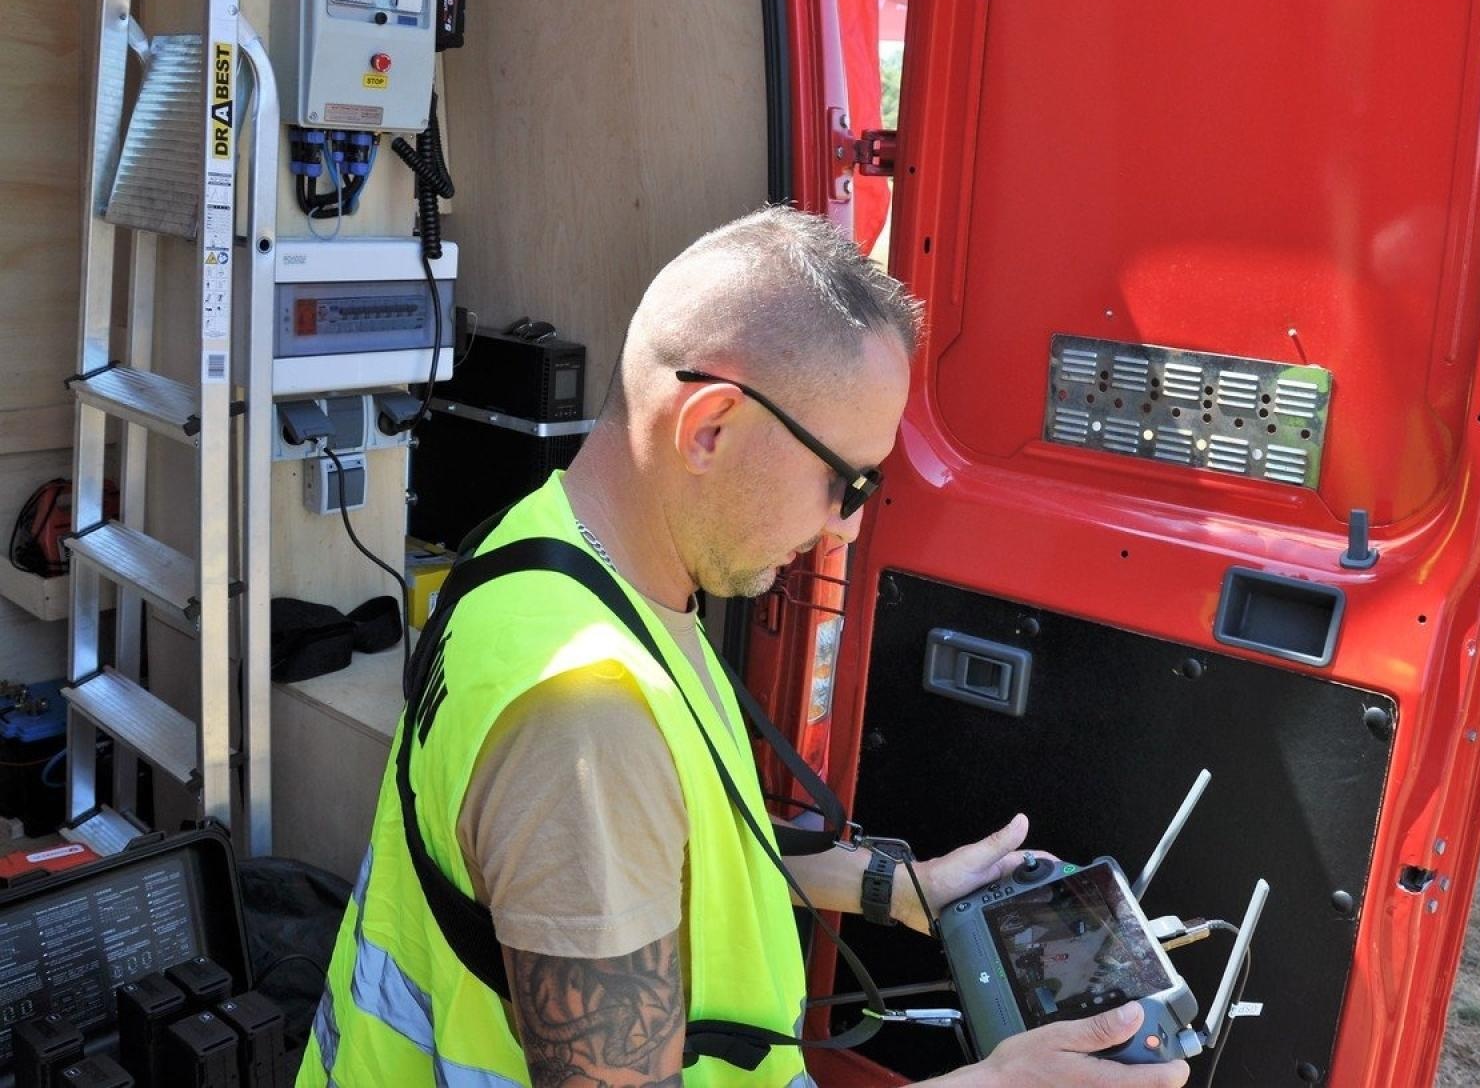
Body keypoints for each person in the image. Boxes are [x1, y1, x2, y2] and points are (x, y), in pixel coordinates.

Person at [299, 207, 1188, 1088]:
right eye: (847, 481)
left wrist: (898, 888)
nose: (847, 524)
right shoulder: (588, 718)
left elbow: (686, 858)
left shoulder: (544, 546)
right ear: (710, 427)